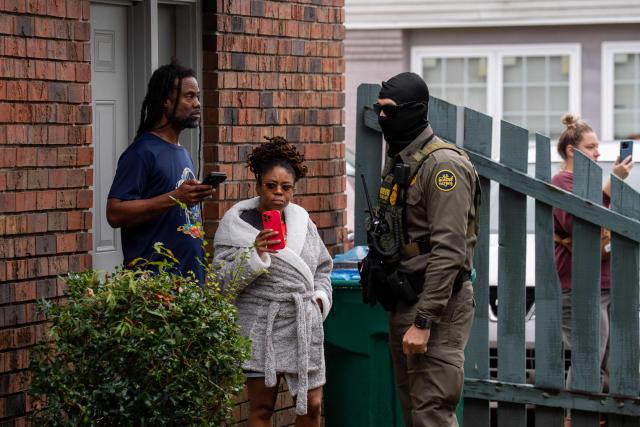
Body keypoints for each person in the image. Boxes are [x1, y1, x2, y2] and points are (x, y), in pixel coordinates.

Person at [362, 72, 479, 427]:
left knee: (432, 415)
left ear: (417, 110)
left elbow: (449, 251)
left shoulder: (443, 167)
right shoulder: (402, 159)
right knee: (415, 413)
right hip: (405, 297)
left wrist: (425, 321)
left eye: (390, 110)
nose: (383, 118)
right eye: (378, 109)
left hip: (436, 309)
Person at [213, 137, 333, 427]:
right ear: (258, 185)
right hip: (259, 324)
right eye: (271, 185)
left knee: (312, 406)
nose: (279, 193)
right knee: (263, 408)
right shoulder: (236, 225)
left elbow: (323, 268)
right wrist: (255, 255)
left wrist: (318, 300)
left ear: (293, 189)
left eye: (286, 187)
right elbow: (219, 281)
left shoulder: (303, 223)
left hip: (301, 323)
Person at [106, 61, 214, 283]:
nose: (197, 104)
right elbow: (115, 213)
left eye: (197, 96)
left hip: (189, 285)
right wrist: (176, 198)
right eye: (189, 96)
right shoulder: (141, 152)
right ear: (166, 100)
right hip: (155, 290)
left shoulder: (182, 152)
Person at [552, 114, 633, 400]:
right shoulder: (562, 180)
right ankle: (577, 417)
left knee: (610, 360)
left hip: (605, 283)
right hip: (580, 285)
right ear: (572, 151)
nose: (598, 153)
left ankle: (594, 414)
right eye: (591, 146)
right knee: (590, 358)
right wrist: (613, 184)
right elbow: (578, 224)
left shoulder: (588, 183)